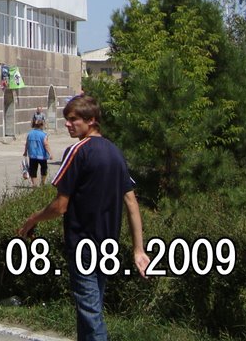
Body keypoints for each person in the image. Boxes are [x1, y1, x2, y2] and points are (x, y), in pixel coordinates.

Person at [17, 95, 149, 341]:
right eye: (67, 119)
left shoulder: (77, 151)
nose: (67, 124)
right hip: (108, 246)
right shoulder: (115, 152)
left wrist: (33, 219)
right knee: (89, 309)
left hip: (83, 246)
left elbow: (60, 206)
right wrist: (138, 250)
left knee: (91, 314)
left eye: (73, 119)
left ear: (91, 120)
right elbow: (132, 202)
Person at [22, 116, 52, 187]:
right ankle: (42, 183)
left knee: (33, 170)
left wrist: (25, 152)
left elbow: (27, 143)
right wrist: (50, 153)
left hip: (32, 155)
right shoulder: (43, 134)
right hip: (42, 155)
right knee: (44, 169)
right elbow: (46, 144)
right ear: (41, 125)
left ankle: (34, 184)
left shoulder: (30, 134)